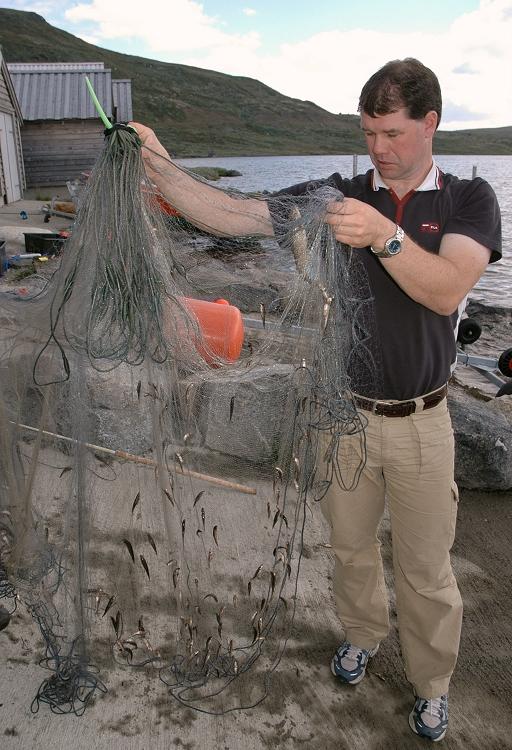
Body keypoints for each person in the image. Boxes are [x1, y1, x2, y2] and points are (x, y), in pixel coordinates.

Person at [130, 57, 502, 742]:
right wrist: (159, 162)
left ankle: (432, 684)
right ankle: (361, 635)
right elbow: (232, 212)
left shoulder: (469, 200)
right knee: (351, 548)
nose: (379, 148)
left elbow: (448, 288)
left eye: (391, 132)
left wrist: (383, 236)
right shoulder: (334, 195)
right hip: (344, 415)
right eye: (368, 133)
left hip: (423, 422)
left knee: (425, 570)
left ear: (430, 124)